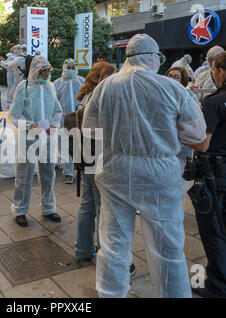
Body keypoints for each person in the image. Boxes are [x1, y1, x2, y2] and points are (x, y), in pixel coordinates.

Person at [82, 34, 207, 298]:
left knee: (113, 243)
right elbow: (197, 136)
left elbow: (89, 129)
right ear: (153, 57)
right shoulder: (174, 89)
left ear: (128, 57)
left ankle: (110, 294)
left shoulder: (105, 87)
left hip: (114, 172)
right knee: (168, 248)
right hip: (160, 176)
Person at [189, 51, 226, 298]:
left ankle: (218, 285)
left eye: (214, 70)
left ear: (221, 71)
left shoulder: (214, 102)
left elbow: (203, 144)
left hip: (214, 174)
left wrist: (184, 136)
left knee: (213, 229)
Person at [74, 61, 138, 274]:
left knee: (88, 205)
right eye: (111, 74)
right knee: (103, 208)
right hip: (98, 158)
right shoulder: (101, 96)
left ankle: (83, 249)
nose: (115, 78)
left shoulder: (85, 95)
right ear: (100, 76)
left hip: (87, 157)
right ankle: (107, 255)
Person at [9, 56, 63, 227]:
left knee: (48, 173)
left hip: (47, 137)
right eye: (44, 72)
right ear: (36, 71)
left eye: (48, 72)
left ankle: (48, 208)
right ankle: (20, 209)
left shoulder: (51, 87)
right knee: (24, 174)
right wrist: (29, 125)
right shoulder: (23, 87)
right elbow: (15, 113)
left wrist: (54, 125)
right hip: (28, 137)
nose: (47, 75)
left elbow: (57, 111)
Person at [165, 66, 200, 196]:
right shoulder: (161, 93)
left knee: (176, 183)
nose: (172, 78)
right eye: (169, 75)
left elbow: (196, 118)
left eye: (176, 76)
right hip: (163, 146)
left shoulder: (188, 95)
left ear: (183, 80)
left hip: (181, 147)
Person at [54, 59, 85, 184]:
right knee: (65, 145)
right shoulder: (57, 83)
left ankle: (80, 170)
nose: (71, 70)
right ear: (64, 68)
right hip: (64, 119)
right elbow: (53, 102)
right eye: (69, 68)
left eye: (73, 68)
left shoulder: (82, 81)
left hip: (79, 118)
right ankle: (68, 172)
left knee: (80, 144)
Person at [0, 45, 17, 110]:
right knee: (11, 89)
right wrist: (2, 62)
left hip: (11, 74)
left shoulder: (13, 57)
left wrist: (2, 62)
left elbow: (9, 64)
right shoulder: (12, 56)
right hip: (12, 74)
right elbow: (10, 65)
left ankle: (9, 105)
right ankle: (10, 105)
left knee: (11, 89)